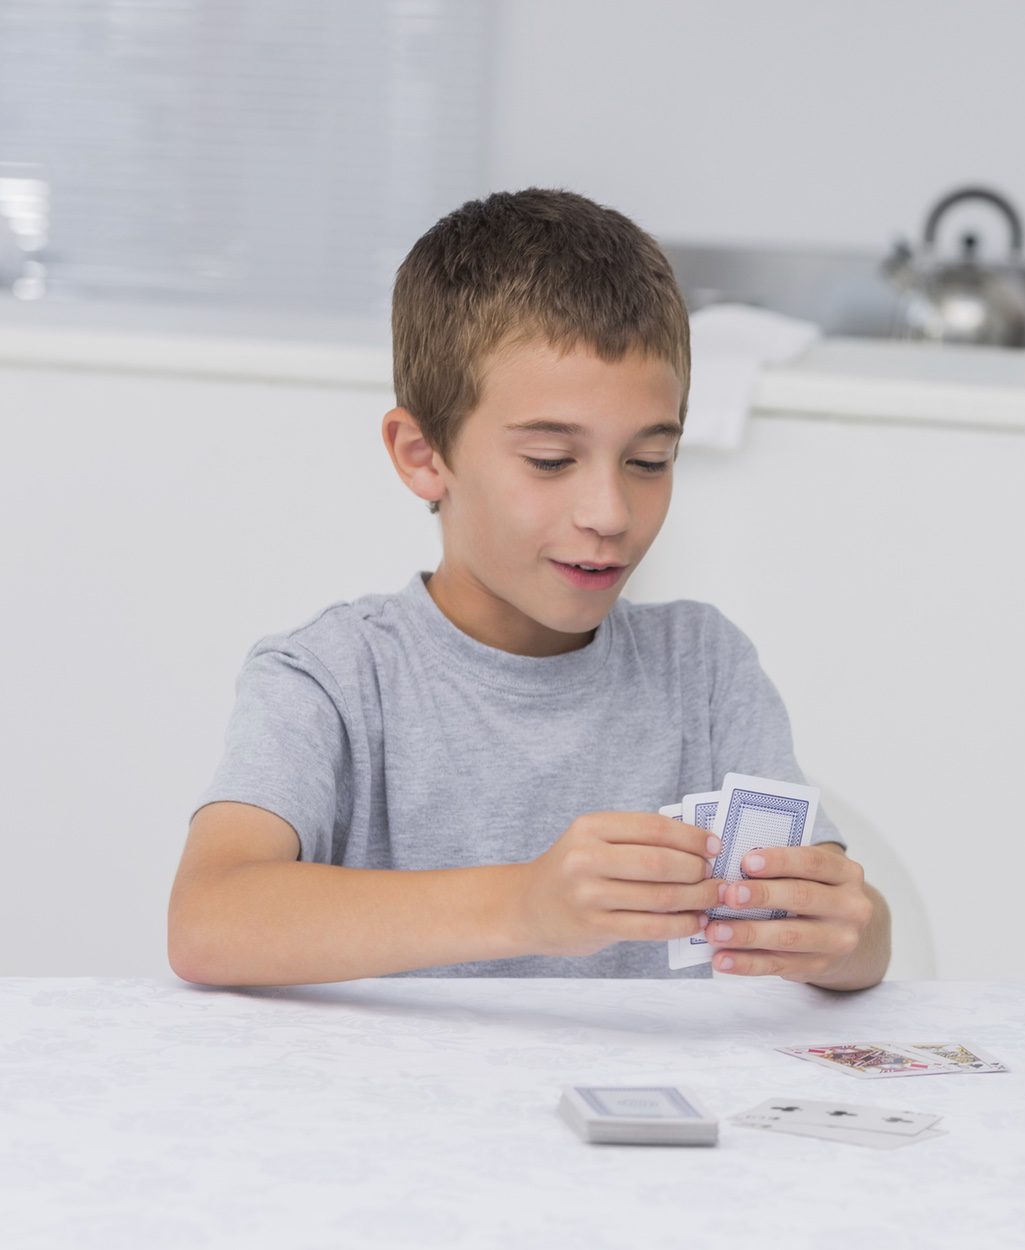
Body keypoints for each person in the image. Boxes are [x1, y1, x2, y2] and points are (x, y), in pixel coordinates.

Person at [168, 189, 889, 989]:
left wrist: (845, 933)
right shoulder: (330, 679)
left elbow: (858, 940)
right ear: (422, 454)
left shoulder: (705, 668)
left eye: (648, 461)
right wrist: (524, 905)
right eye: (550, 461)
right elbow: (209, 920)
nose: (609, 514)